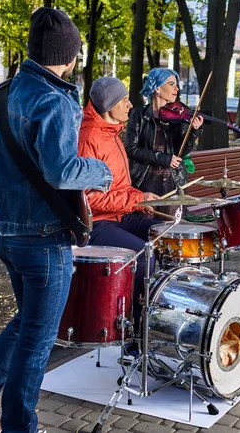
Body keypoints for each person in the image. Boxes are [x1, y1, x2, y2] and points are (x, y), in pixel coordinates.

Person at [0, 8, 112, 433]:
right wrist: (102, 172)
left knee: (25, 323)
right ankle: (21, 427)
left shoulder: (0, 94)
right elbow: (62, 171)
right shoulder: (55, 99)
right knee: (37, 340)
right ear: (69, 56)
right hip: (43, 241)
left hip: (8, 234)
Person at [78, 77, 165, 328]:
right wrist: (136, 199)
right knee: (143, 253)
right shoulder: (89, 138)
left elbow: (119, 188)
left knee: (164, 235)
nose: (130, 105)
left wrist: (140, 202)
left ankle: (158, 311)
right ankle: (132, 327)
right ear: (109, 106)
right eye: (124, 100)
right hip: (97, 224)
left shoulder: (113, 132)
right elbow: (88, 199)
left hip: (119, 214)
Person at [125, 68, 203, 216]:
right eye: (171, 84)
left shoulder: (180, 114)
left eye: (176, 85)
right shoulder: (139, 114)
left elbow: (182, 151)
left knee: (171, 228)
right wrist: (163, 158)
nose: (177, 88)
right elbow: (130, 148)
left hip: (173, 181)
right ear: (157, 88)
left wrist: (193, 132)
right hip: (144, 181)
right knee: (145, 229)